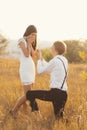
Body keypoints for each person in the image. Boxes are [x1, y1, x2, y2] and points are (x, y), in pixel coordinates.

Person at [26, 41, 68, 120]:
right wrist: (41, 58)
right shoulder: (64, 60)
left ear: (55, 49)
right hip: (64, 94)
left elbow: (40, 71)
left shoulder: (55, 60)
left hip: (55, 93)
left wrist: (38, 60)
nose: (51, 48)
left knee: (30, 94)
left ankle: (37, 115)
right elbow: (48, 66)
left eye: (52, 47)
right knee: (59, 119)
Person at [10, 25, 38, 115]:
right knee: (28, 94)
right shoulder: (21, 40)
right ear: (28, 33)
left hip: (31, 69)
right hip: (25, 69)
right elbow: (26, 54)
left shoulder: (30, 42)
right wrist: (29, 43)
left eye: (35, 35)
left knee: (27, 94)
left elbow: (33, 55)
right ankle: (13, 111)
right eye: (32, 34)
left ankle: (24, 113)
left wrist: (31, 43)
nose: (33, 36)